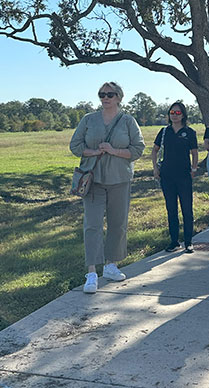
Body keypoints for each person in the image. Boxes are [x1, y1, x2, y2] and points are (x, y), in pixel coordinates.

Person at [70, 82, 145, 294]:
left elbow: (138, 149)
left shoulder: (128, 121)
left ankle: (111, 265)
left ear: (119, 97)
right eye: (102, 94)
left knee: (117, 223)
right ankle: (92, 273)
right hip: (93, 180)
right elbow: (74, 146)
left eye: (110, 94)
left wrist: (113, 150)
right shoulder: (88, 120)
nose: (105, 97)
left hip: (120, 179)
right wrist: (93, 152)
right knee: (92, 225)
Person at [152, 102, 199, 253]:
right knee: (171, 209)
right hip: (167, 176)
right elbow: (154, 150)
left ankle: (188, 241)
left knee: (187, 209)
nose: (174, 115)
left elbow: (194, 152)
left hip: (184, 176)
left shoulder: (189, 132)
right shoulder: (164, 132)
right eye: (172, 112)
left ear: (183, 115)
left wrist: (194, 168)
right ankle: (174, 241)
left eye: (178, 113)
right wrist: (155, 168)